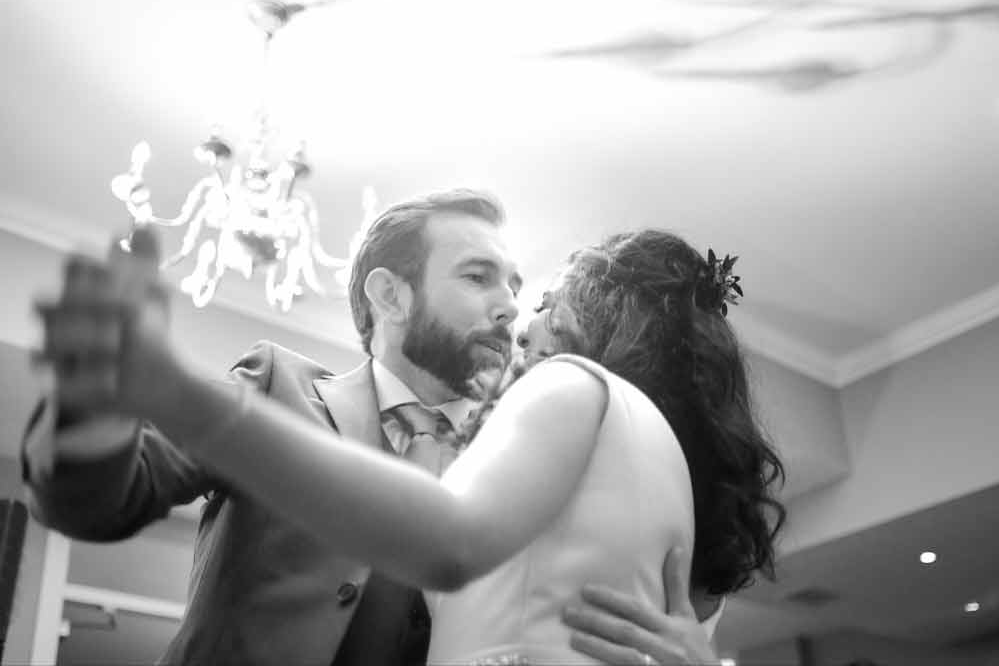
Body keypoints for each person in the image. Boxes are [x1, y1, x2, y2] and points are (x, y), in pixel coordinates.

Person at [24, 192, 734, 665]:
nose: (510, 309)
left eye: (518, 288)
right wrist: (91, 410)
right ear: (390, 295)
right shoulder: (278, 386)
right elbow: (105, 497)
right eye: (480, 277)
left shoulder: (530, 457)